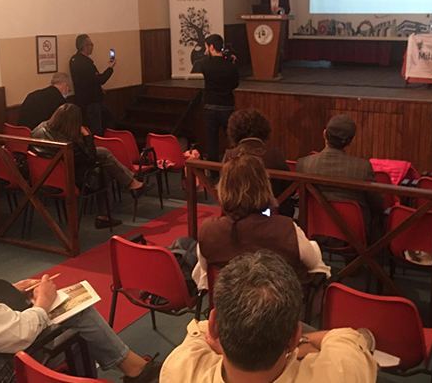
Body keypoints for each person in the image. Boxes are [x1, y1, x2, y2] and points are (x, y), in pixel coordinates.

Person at [0, 178, 158, 383]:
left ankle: (132, 366)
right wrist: (43, 302)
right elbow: (20, 334)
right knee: (75, 311)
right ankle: (135, 370)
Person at [164, 251, 377, 382]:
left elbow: (200, 331)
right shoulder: (342, 373)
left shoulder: (179, 368)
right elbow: (353, 338)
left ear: (215, 326)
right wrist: (305, 343)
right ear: (293, 337)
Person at [192, 154, 329, 291]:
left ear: (223, 189)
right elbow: (315, 265)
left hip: (227, 302)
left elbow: (205, 279)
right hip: (279, 302)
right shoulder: (286, 229)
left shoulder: (208, 231)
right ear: (265, 187)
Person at [31, 103, 145, 229]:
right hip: (70, 180)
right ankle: (126, 189)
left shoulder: (39, 130)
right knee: (104, 170)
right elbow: (90, 159)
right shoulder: (68, 144)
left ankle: (130, 183)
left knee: (104, 156)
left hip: (42, 178)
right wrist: (87, 136)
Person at [297, 114, 385, 238]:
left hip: (314, 231)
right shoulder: (362, 168)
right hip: (353, 236)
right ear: (350, 142)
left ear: (324, 134)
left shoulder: (304, 164)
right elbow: (378, 205)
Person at [223, 108, 294, 217]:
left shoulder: (229, 156)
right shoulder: (275, 154)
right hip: (272, 215)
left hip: (236, 215)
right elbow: (289, 188)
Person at [200, 34, 239, 167]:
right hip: (227, 106)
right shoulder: (230, 65)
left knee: (211, 141)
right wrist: (230, 60)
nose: (205, 51)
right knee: (232, 139)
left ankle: (213, 172)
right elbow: (235, 84)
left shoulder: (204, 64)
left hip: (210, 106)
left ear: (211, 47)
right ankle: (234, 168)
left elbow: (207, 61)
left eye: (206, 47)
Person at [69, 34, 115, 136]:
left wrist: (98, 88)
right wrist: (110, 68)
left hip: (81, 100)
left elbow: (87, 80)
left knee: (88, 128)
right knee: (98, 129)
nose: (92, 46)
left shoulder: (73, 60)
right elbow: (100, 79)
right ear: (84, 46)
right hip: (92, 102)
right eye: (91, 44)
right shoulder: (86, 63)